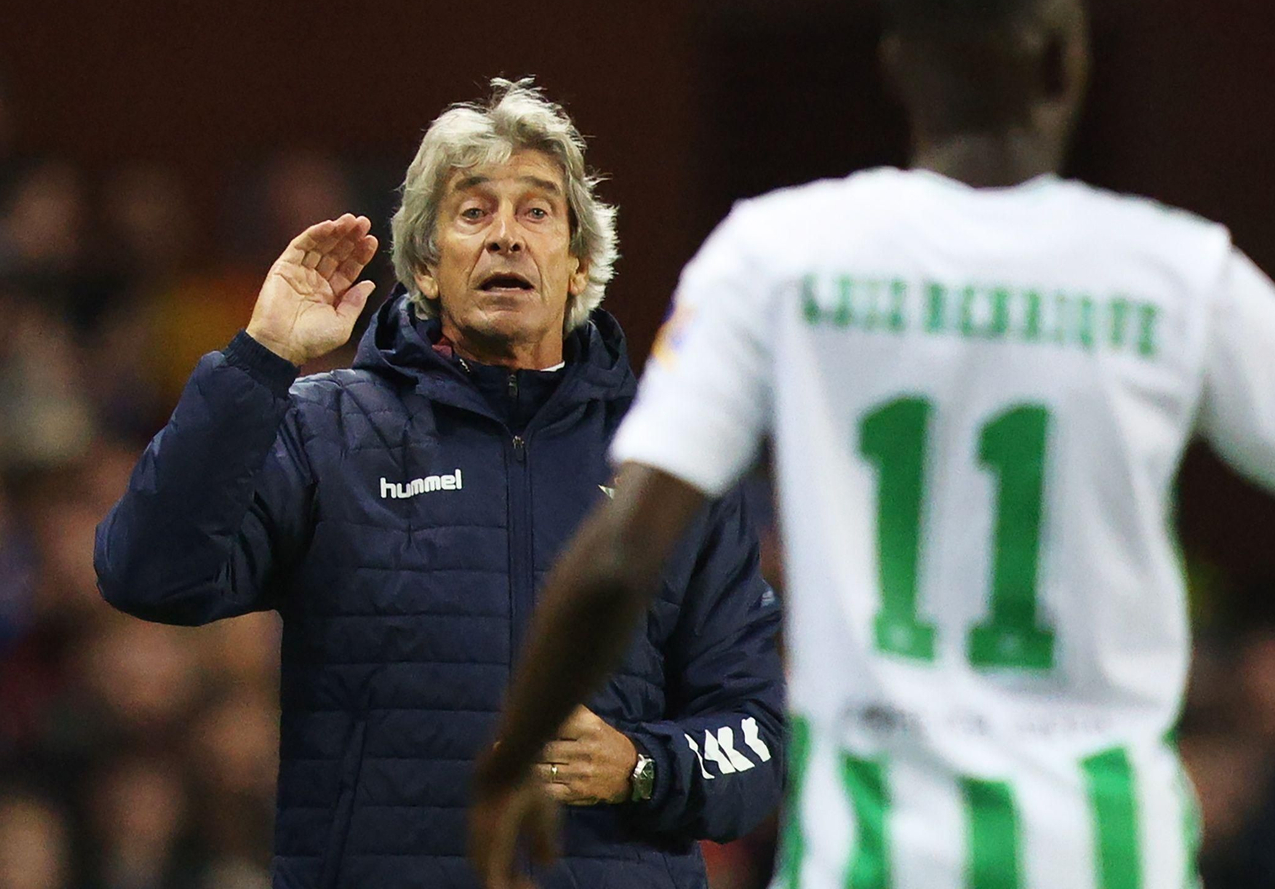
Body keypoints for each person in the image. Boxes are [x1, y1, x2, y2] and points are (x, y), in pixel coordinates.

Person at [469, 0, 1275, 889]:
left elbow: (619, 554)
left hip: (874, 855)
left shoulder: (777, 254)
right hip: (1109, 854)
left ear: (898, 70)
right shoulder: (1178, 275)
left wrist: (515, 753)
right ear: (1067, 63)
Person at [95, 80, 785, 888]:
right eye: (472, 213)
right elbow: (148, 574)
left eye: (536, 212)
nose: (506, 238)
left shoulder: (672, 459)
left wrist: (641, 764)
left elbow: (757, 742)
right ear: (424, 264)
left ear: (579, 264)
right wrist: (259, 359)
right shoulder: (326, 430)